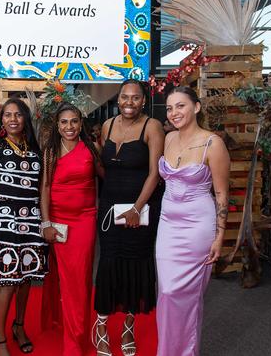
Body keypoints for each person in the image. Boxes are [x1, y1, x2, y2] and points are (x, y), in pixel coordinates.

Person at [156, 86, 230, 356]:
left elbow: (222, 193)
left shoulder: (213, 143)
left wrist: (219, 236)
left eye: (181, 106)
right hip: (167, 224)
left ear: (196, 107)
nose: (174, 113)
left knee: (186, 296)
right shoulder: (168, 139)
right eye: (170, 108)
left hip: (197, 227)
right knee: (165, 292)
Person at [93, 80, 165, 356]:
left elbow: (154, 173)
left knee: (135, 266)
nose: (129, 102)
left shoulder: (153, 127)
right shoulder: (109, 125)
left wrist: (136, 207)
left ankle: (128, 328)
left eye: (135, 98)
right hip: (110, 207)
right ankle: (100, 325)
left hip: (141, 209)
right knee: (109, 263)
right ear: (118, 99)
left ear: (143, 101)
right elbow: (103, 166)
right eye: (125, 97)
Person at [0, 98, 46, 356]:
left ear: (25, 119)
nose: (13, 119)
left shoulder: (34, 147)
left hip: (30, 222)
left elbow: (40, 187)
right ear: (1, 118)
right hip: (2, 222)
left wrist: (42, 220)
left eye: (18, 115)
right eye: (8, 115)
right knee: (7, 281)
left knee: (26, 279)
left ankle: (19, 326)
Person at [40, 103, 103, 355]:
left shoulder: (91, 148)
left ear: (81, 123)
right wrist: (45, 223)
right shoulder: (50, 151)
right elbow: (44, 189)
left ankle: (75, 338)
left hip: (84, 221)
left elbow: (107, 177)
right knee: (61, 279)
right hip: (58, 221)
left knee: (80, 279)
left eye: (74, 121)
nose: (69, 127)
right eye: (64, 122)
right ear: (57, 125)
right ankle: (61, 324)